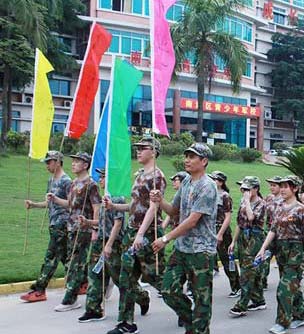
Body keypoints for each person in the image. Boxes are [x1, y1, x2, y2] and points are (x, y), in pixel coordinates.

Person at [149, 143, 218, 334]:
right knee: (168, 290)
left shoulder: (208, 186)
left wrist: (166, 238)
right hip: (182, 248)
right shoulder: (187, 181)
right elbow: (174, 211)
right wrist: (160, 200)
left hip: (201, 251)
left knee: (201, 298)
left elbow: (193, 220)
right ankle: (193, 324)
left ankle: (199, 329)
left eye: (192, 156)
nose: (187, 159)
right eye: (186, 155)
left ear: (204, 161)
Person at [106, 138, 163, 334]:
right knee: (126, 278)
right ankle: (126, 323)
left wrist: (140, 234)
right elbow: (134, 205)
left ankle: (185, 307)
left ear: (154, 152)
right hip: (133, 232)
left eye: (142, 148)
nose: (138, 151)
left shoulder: (157, 177)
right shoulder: (140, 175)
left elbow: (154, 207)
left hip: (147, 233)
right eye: (137, 148)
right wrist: (114, 207)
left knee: (155, 277)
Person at [255, 175, 304, 334]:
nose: (282, 189)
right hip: (281, 250)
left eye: (285, 186)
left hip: (295, 251)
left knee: (283, 289)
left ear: (295, 189)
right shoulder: (279, 206)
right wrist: (263, 248)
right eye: (281, 186)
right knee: (293, 286)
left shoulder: (300, 208)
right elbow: (273, 230)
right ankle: (300, 316)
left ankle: (283, 322)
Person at [49, 152, 101, 312]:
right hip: (71, 228)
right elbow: (71, 205)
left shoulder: (90, 184)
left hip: (83, 229)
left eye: (77, 161)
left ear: (85, 165)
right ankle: (94, 285)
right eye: (73, 161)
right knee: (73, 261)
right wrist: (55, 199)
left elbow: (96, 207)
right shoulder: (73, 183)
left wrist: (94, 228)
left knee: (75, 263)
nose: (73, 164)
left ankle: (70, 298)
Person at [78, 168, 131, 322]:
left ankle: (141, 297)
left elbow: (118, 223)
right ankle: (93, 309)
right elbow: (102, 223)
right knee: (94, 274)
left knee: (119, 277)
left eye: (103, 177)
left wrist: (108, 245)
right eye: (100, 177)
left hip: (113, 243)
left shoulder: (117, 198)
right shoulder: (103, 199)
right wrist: (88, 222)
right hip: (100, 241)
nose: (100, 180)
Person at [21, 151, 72, 303]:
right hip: (53, 222)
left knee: (51, 257)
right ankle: (82, 282)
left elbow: (71, 204)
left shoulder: (66, 181)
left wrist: (56, 199)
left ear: (58, 162)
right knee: (66, 258)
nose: (47, 165)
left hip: (62, 224)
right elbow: (49, 203)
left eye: (49, 162)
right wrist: (34, 204)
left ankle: (40, 289)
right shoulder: (51, 181)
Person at [229, 176, 267, 317]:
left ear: (255, 189)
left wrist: (246, 201)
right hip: (243, 237)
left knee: (247, 272)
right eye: (242, 188)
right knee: (252, 271)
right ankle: (258, 300)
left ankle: (242, 305)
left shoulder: (261, 203)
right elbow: (240, 223)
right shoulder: (243, 202)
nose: (243, 191)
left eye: (247, 188)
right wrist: (233, 241)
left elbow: (251, 218)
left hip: (255, 238)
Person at [209, 171, 241, 298]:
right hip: (210, 230)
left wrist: (220, 234)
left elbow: (228, 218)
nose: (212, 181)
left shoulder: (225, 196)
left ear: (221, 182)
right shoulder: (209, 194)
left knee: (227, 260)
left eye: (214, 179)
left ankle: (236, 286)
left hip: (221, 230)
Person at [261, 176, 284, 290]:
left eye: (274, 185)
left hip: (281, 233)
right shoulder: (268, 198)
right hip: (270, 232)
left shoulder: (285, 199)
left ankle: (284, 283)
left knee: (281, 260)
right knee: (265, 257)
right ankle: (262, 280)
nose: (271, 187)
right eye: (270, 185)